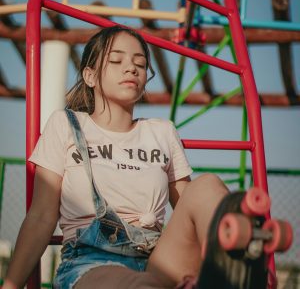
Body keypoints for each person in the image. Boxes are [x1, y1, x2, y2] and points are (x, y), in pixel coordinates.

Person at [3, 25, 229, 289]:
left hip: (157, 259)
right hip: (91, 262)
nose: (132, 68)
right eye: (116, 60)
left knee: (207, 185)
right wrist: (10, 286)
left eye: (140, 64)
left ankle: (235, 264)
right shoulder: (67, 125)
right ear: (90, 76)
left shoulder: (162, 131)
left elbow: (189, 205)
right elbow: (41, 216)